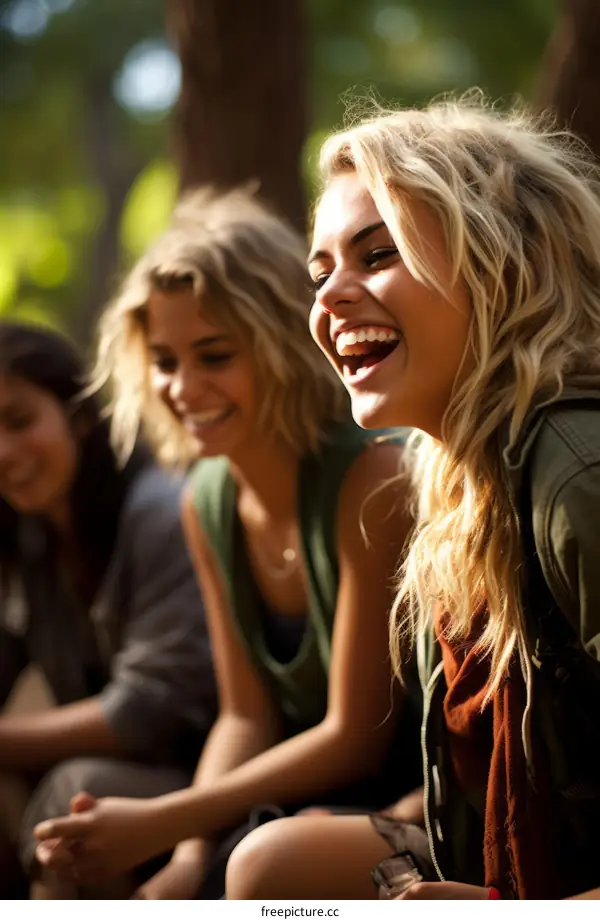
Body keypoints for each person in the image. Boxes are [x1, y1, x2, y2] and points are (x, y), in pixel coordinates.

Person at [223, 98, 600, 900]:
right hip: (492, 865)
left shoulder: (578, 480)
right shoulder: (451, 473)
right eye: (320, 273)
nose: (329, 301)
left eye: (377, 254)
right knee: (268, 867)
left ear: (507, 260)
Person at [33, 188, 422, 899]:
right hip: (289, 799)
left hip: (408, 806)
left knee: (254, 868)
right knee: (74, 806)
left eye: (213, 356)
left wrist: (167, 822)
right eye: (164, 360)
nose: (184, 388)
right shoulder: (206, 497)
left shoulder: (372, 475)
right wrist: (183, 856)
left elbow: (355, 735)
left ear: (280, 343)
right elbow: (246, 715)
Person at [0, 321, 216, 899]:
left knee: (76, 791)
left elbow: (144, 711)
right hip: (138, 777)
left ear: (78, 416)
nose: (3, 451)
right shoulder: (28, 533)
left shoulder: (161, 511)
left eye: (19, 422)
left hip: (208, 782)